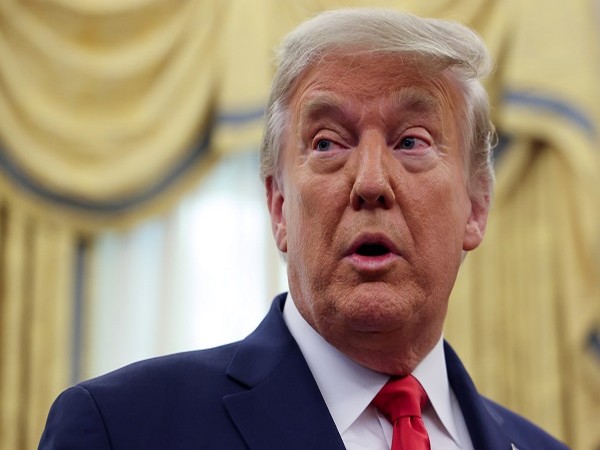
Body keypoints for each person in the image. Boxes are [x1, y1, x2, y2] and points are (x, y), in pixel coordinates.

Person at [39, 8, 568, 450]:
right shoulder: (121, 428)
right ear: (277, 206)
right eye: (327, 143)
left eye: (411, 141)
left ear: (476, 206)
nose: (370, 181)